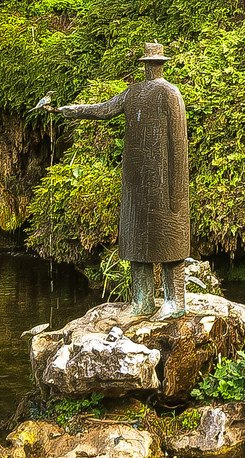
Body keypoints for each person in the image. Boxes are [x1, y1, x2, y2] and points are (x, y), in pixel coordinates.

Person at [37, 43, 190, 318]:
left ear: (159, 64)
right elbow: (104, 109)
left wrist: (178, 188)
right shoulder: (133, 93)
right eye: (148, 63)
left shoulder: (170, 92)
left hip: (164, 178)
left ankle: (174, 301)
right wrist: (68, 110)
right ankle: (142, 300)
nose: (150, 68)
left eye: (153, 64)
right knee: (136, 239)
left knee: (168, 238)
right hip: (136, 176)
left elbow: (179, 142)